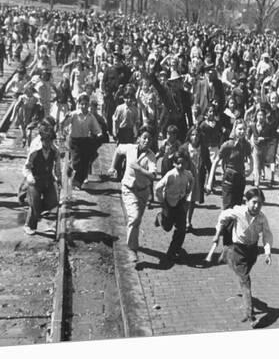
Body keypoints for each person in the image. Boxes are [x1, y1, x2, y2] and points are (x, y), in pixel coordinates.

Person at [212, 187, 273, 327]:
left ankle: (226, 254)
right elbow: (223, 216)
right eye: (254, 202)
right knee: (245, 281)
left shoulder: (262, 218)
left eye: (260, 203)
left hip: (252, 251)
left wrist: (267, 252)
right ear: (247, 201)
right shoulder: (238, 211)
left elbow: (267, 234)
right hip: (238, 250)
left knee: (244, 275)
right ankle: (250, 315)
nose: (257, 206)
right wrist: (217, 234)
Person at [108, 126, 157, 263]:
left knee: (136, 221)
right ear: (139, 139)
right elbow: (117, 150)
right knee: (134, 218)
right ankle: (132, 250)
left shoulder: (151, 156)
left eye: (149, 139)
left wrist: (139, 169)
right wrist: (113, 166)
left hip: (143, 192)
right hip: (128, 189)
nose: (146, 141)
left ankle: (132, 241)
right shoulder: (129, 148)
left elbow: (153, 175)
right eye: (144, 138)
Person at [154, 151, 194, 262]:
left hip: (180, 203)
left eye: (183, 163)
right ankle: (160, 217)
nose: (181, 166)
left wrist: (187, 194)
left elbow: (192, 181)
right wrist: (162, 202)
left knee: (181, 229)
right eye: (179, 163)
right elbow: (157, 188)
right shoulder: (170, 175)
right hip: (169, 203)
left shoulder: (188, 174)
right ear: (174, 164)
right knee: (167, 227)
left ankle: (173, 251)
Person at [22, 124, 62, 235]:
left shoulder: (55, 151)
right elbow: (26, 168)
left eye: (51, 141)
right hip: (35, 180)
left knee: (53, 201)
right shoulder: (35, 151)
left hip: (48, 179)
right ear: (42, 140)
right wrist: (30, 177)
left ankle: (38, 211)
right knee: (35, 203)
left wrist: (59, 180)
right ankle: (29, 225)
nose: (49, 144)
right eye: (46, 141)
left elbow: (57, 167)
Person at [206, 119, 253, 210]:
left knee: (237, 208)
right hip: (229, 178)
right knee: (228, 208)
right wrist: (209, 182)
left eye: (244, 129)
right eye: (239, 129)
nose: (242, 132)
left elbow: (250, 156)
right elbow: (216, 161)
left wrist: (250, 170)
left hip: (240, 178)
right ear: (234, 129)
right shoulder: (227, 145)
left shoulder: (246, 145)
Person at [62, 93, 102, 189]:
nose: (84, 106)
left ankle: (77, 182)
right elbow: (64, 124)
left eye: (86, 104)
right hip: (74, 141)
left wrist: (98, 135)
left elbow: (97, 129)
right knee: (76, 162)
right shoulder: (74, 114)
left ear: (89, 105)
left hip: (84, 141)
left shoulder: (90, 116)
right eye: (82, 104)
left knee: (85, 163)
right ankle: (70, 175)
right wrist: (65, 119)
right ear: (79, 104)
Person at [179, 127, 211, 232]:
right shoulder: (184, 148)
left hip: (198, 177)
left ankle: (189, 221)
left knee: (192, 201)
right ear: (189, 136)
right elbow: (177, 161)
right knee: (184, 200)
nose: (195, 137)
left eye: (197, 135)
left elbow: (208, 164)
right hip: (186, 176)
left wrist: (209, 181)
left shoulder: (203, 148)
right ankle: (182, 221)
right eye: (192, 135)